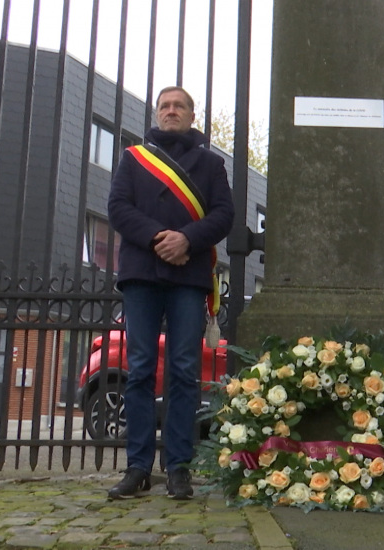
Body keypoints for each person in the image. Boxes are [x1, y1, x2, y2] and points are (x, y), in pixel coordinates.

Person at [107, 86, 235, 500]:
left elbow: (223, 215)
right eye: (165, 106)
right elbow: (118, 208)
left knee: (183, 370)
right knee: (141, 369)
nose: (171, 111)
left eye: (179, 106)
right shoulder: (133, 159)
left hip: (189, 274)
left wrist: (187, 240)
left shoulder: (211, 164)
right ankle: (138, 467)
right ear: (156, 114)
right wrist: (161, 238)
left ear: (192, 115)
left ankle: (179, 466)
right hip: (143, 271)